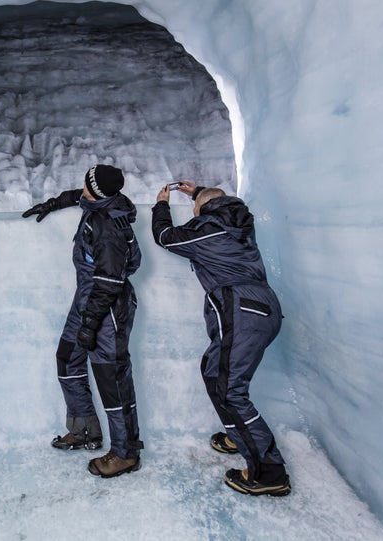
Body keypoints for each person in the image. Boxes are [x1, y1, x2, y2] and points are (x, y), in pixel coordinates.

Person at [151, 180, 290, 496]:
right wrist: (199, 191)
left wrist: (161, 205)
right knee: (216, 374)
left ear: (200, 211)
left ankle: (270, 472)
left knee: (229, 389)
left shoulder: (206, 230)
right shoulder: (241, 223)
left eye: (196, 208)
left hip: (239, 309)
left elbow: (164, 237)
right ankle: (242, 435)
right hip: (261, 308)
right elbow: (217, 202)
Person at [22, 164, 144, 478]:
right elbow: (79, 196)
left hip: (107, 307)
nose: (82, 187)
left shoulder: (107, 228)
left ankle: (125, 453)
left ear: (97, 191)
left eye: (87, 182)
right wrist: (53, 203)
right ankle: (85, 429)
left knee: (112, 378)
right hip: (87, 301)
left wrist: (90, 324)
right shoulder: (100, 202)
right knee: (68, 358)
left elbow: (109, 283)